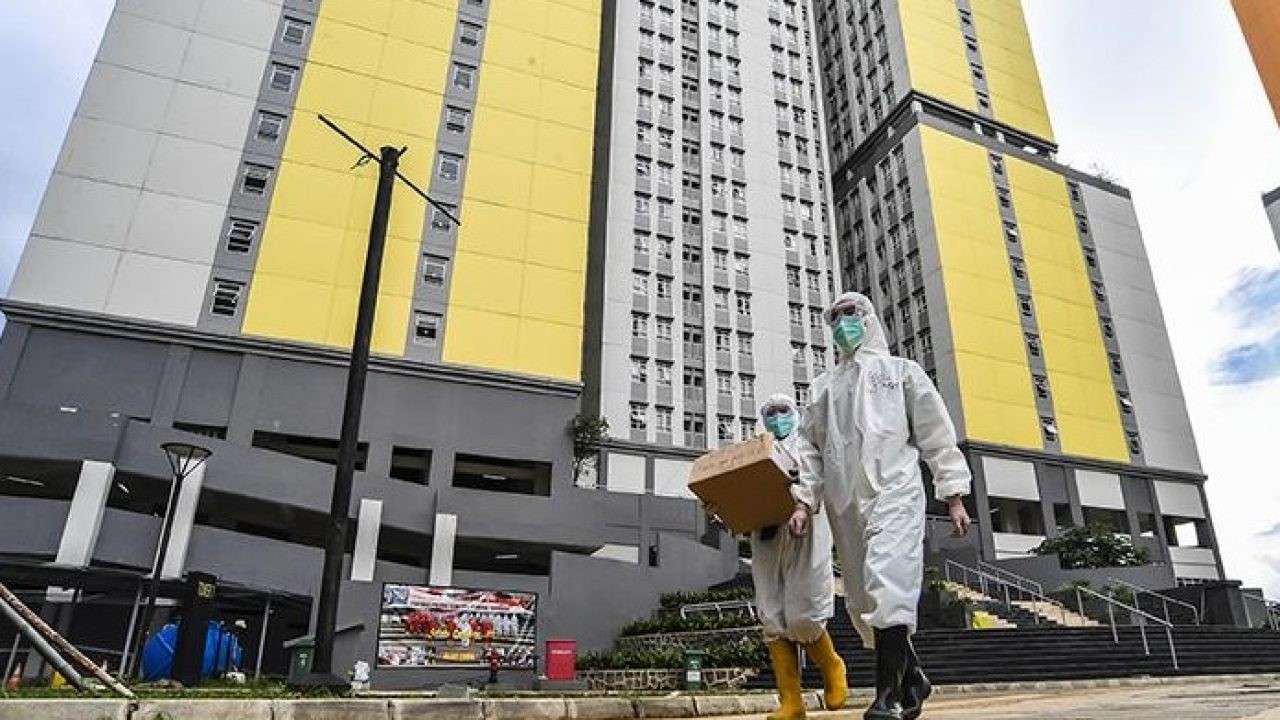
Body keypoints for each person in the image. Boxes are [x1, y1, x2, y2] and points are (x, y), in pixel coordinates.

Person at [789, 292, 972, 720]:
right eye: (834, 317)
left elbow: (936, 434)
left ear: (869, 318)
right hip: (845, 504)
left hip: (895, 492)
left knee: (888, 581)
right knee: (862, 598)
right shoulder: (823, 388)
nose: (842, 323)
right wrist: (803, 501)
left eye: (850, 313)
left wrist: (954, 495)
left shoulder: (901, 373)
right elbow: (808, 450)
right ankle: (914, 678)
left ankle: (886, 698)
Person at [750, 394, 847, 720]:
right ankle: (791, 701)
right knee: (772, 615)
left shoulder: (808, 444)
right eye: (771, 412)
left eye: (784, 411)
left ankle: (832, 665)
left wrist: (802, 505)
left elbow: (816, 478)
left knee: (804, 611)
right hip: (767, 535)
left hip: (806, 530)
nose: (778, 418)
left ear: (795, 413)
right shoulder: (758, 450)